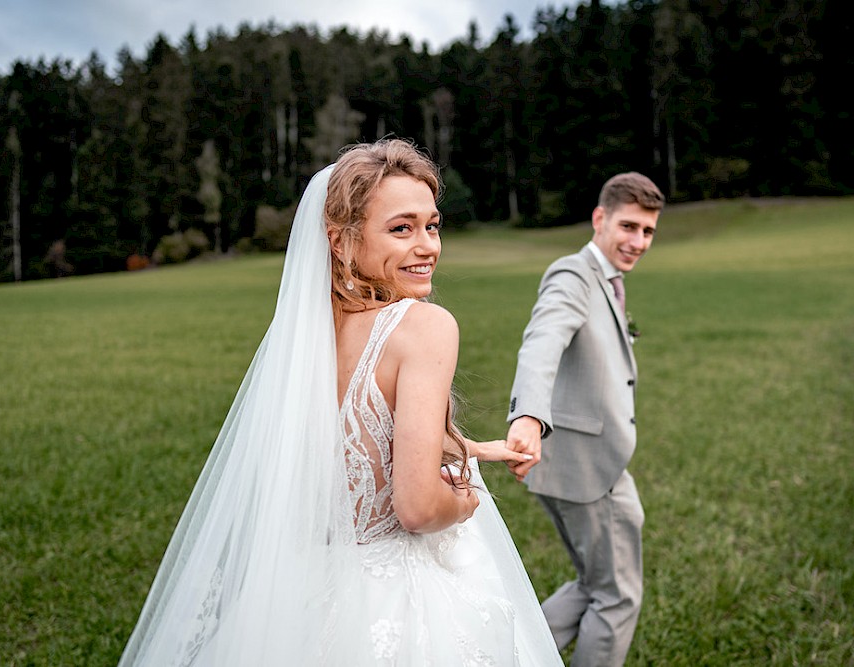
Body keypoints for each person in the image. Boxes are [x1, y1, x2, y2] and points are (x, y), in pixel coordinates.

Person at [118, 139, 563, 666]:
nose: (427, 247)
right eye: (401, 228)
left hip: (307, 589)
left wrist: (472, 449)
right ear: (341, 241)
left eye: (432, 225)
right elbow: (418, 508)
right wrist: (463, 504)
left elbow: (363, 440)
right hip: (402, 601)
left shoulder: (304, 339)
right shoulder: (425, 328)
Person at [505, 172, 664, 666]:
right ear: (600, 219)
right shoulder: (574, 275)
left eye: (648, 232)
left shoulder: (607, 281)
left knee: (594, 584)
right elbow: (542, 343)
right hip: (586, 468)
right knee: (616, 599)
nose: (638, 242)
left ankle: (506, 656)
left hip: (588, 462)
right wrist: (528, 416)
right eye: (629, 227)